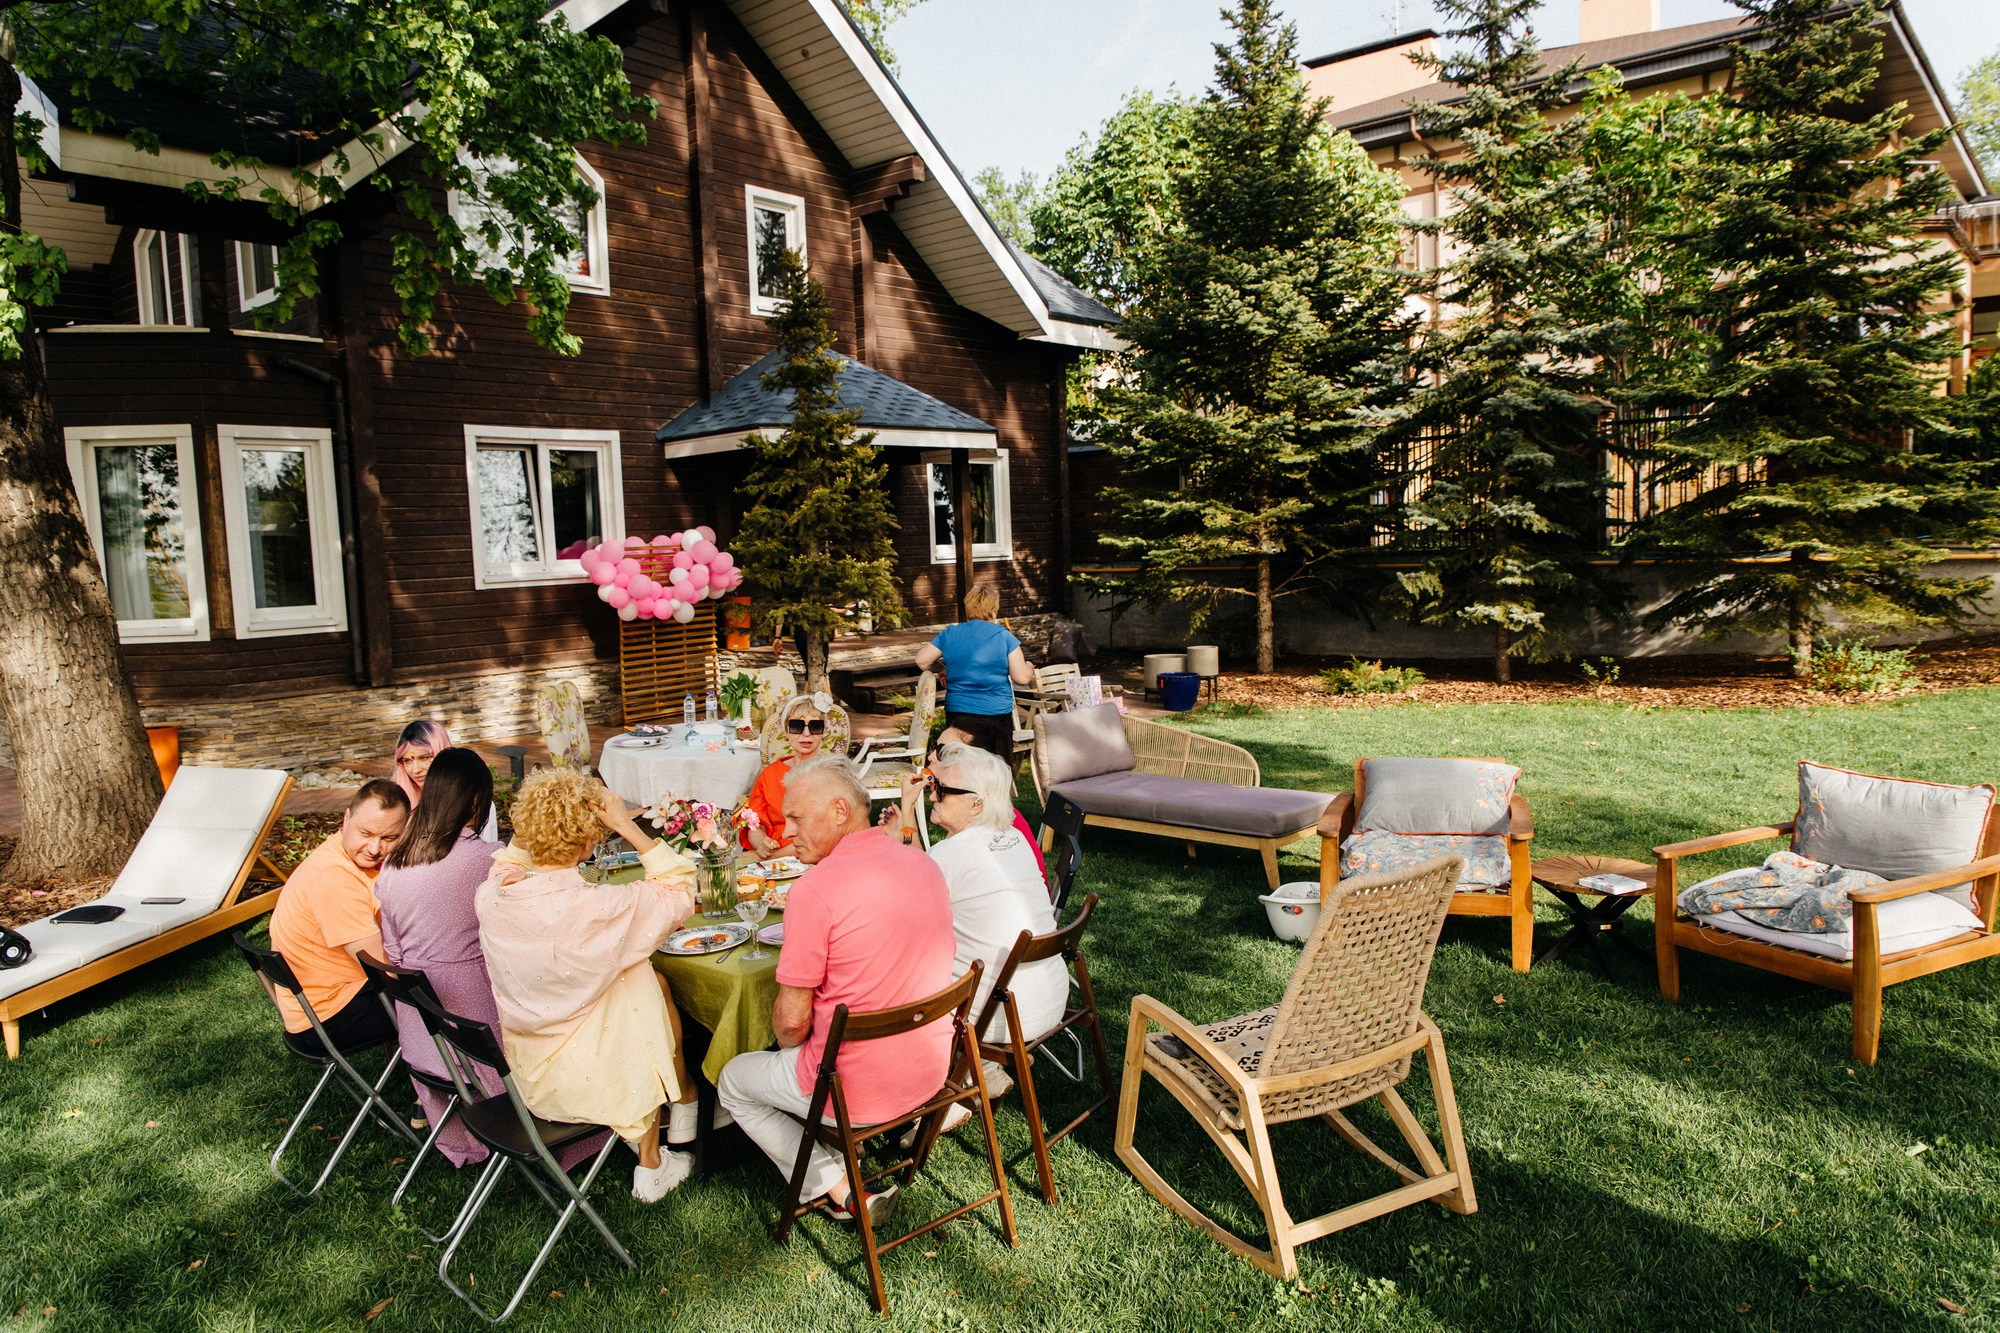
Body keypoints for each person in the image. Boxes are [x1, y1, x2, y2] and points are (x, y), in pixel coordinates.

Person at [718, 755, 956, 1227]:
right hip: (931, 1071)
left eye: (798, 818)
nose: (786, 832)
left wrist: (791, 1049)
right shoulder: (923, 863)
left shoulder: (816, 890)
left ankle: (836, 1187)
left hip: (855, 1092)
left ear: (840, 811)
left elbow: (790, 1024)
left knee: (733, 1081)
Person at [476, 768, 705, 1202]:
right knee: (640, 982)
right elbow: (682, 889)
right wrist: (625, 823)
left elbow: (508, 859)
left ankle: (674, 1115)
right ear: (588, 840)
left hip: (531, 1076)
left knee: (640, 976)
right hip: (592, 1080)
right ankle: (651, 1164)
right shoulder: (597, 907)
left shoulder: (492, 896)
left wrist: (534, 825)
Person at [373, 748, 503, 1167]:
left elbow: (392, 950)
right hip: (476, 1025)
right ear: (474, 801)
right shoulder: (485, 859)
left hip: (422, 1033)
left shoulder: (393, 864)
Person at [893, 743, 1066, 1048]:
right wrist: (908, 810)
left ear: (976, 804)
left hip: (997, 1017)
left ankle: (976, 1065)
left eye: (941, 789)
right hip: (1048, 999)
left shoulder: (952, 853)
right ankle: (983, 1066)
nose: (932, 795)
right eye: (934, 785)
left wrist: (905, 819)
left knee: (894, 964)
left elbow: (906, 886)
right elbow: (923, 869)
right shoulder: (1014, 837)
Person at [267, 780, 410, 1058]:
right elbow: (384, 969)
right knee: (447, 1000)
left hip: (320, 1003)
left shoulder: (339, 853)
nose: (374, 848)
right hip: (324, 1019)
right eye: (366, 833)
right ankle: (457, 1088)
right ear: (346, 818)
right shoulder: (334, 879)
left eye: (389, 838)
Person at [914, 585, 1034, 762]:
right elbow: (1022, 677)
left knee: (961, 767)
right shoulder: (1004, 636)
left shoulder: (950, 633)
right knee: (996, 769)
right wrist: (1029, 667)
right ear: (993, 610)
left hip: (959, 713)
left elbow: (922, 660)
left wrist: (942, 669)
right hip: (996, 715)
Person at [929, 725, 1046, 879]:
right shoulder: (1011, 832)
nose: (932, 756)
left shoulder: (951, 851)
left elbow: (921, 884)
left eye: (947, 752)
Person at [743, 693, 832, 856]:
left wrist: (770, 859)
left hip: (812, 854)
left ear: (823, 732)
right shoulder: (769, 774)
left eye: (815, 726)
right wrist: (761, 843)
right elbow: (755, 825)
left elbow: (825, 836)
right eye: (797, 726)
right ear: (786, 730)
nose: (806, 734)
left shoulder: (831, 774)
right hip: (772, 854)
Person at [392, 719, 500, 840]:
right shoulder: (397, 802)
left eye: (424, 758)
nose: (415, 770)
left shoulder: (474, 804)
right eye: (407, 761)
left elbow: (486, 853)